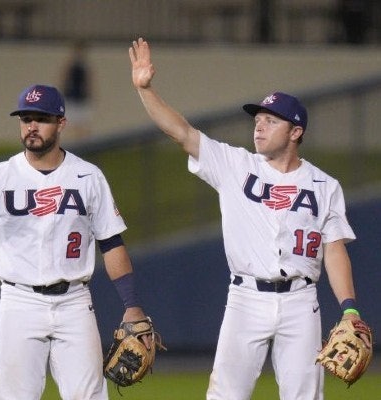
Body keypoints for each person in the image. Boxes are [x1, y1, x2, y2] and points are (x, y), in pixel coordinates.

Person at [129, 38, 370, 399]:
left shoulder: (324, 185)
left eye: (271, 121)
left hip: (301, 302)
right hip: (246, 297)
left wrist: (349, 308)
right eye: (257, 119)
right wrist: (145, 89)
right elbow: (181, 132)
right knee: (225, 394)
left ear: (296, 132)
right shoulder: (236, 165)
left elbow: (333, 251)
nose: (259, 127)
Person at [0, 84, 155, 399]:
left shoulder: (88, 177)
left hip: (74, 302)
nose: (32, 126)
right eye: (25, 119)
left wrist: (132, 305)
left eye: (41, 118)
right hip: (19, 301)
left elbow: (112, 243)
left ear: (61, 122)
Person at [61, 40, 92, 139]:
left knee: (83, 125)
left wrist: (89, 94)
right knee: (70, 125)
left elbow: (89, 81)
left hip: (81, 98)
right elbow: (64, 78)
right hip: (71, 97)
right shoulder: (70, 65)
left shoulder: (85, 66)